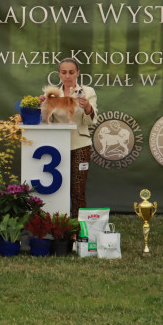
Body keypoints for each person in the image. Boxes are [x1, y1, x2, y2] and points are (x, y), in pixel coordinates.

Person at [46, 57, 98, 218]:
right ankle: (56, 226)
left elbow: (91, 121)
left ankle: (78, 229)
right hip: (56, 146)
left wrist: (88, 107)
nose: (67, 76)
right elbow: (45, 120)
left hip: (80, 145)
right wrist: (41, 104)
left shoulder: (88, 92)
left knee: (78, 190)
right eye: (64, 72)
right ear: (59, 74)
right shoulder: (52, 94)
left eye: (71, 72)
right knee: (55, 190)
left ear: (77, 73)